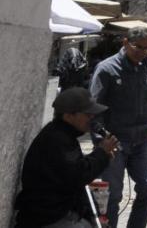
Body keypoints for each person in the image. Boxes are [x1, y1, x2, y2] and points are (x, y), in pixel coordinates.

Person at [90, 26, 147, 228]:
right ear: (125, 43)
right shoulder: (106, 69)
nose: (142, 52)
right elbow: (93, 109)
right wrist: (102, 141)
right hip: (114, 143)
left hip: (142, 141)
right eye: (138, 47)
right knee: (112, 196)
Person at [13, 87, 118, 228]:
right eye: (87, 114)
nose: (91, 118)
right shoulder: (57, 139)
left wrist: (94, 215)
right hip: (46, 217)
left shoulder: (65, 136)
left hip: (60, 211)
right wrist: (102, 153)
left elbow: (77, 176)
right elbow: (78, 175)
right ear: (68, 116)